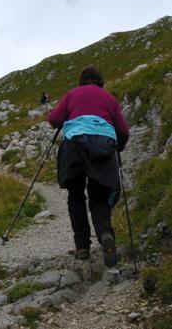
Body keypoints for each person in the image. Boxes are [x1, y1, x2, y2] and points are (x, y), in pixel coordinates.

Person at [48, 66, 129, 267]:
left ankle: (82, 247)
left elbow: (54, 119)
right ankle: (105, 234)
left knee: (76, 195)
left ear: (81, 81)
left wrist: (69, 117)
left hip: (74, 146)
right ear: (101, 82)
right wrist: (118, 146)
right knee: (99, 195)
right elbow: (124, 131)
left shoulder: (72, 94)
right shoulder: (109, 99)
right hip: (103, 147)